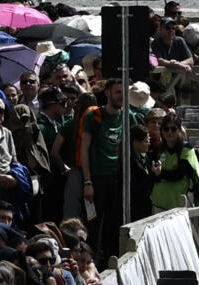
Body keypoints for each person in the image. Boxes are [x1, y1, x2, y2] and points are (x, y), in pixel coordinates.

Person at [80, 78, 123, 266]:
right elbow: (84, 149)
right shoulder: (94, 116)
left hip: (118, 179)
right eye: (117, 92)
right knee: (94, 225)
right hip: (97, 179)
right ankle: (89, 263)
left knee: (114, 225)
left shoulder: (128, 115)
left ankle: (110, 264)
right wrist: (87, 182)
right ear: (107, 93)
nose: (121, 96)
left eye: (124, 92)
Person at [151, 115, 199, 211]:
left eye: (173, 129)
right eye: (166, 129)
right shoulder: (158, 149)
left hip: (179, 205)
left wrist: (161, 174)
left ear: (180, 130)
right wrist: (160, 175)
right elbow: (153, 173)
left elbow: (179, 174)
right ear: (162, 131)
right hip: (158, 202)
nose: (169, 132)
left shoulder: (187, 149)